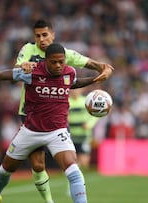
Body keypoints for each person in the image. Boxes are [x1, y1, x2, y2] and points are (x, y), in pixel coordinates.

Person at [0, 43, 101, 203]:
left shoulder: (69, 72)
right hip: (30, 131)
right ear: (45, 60)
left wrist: (95, 79)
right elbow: (0, 76)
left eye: (61, 61)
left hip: (57, 132)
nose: (58, 65)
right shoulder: (31, 72)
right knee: (5, 169)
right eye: (53, 62)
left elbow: (74, 83)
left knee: (74, 171)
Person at [15, 19, 113, 203]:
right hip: (30, 114)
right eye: (38, 36)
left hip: (56, 117)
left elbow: (89, 62)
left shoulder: (65, 54)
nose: (42, 39)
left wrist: (104, 68)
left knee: (72, 164)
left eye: (45, 35)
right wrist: (23, 66)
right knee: (37, 165)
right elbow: (16, 68)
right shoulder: (28, 50)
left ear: (53, 35)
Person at [68, 88, 99, 170]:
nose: (75, 91)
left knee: (84, 160)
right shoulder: (67, 102)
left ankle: (83, 178)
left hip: (84, 136)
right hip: (70, 136)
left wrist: (89, 124)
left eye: (77, 89)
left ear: (81, 90)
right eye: (73, 89)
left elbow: (95, 114)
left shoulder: (86, 101)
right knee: (71, 160)